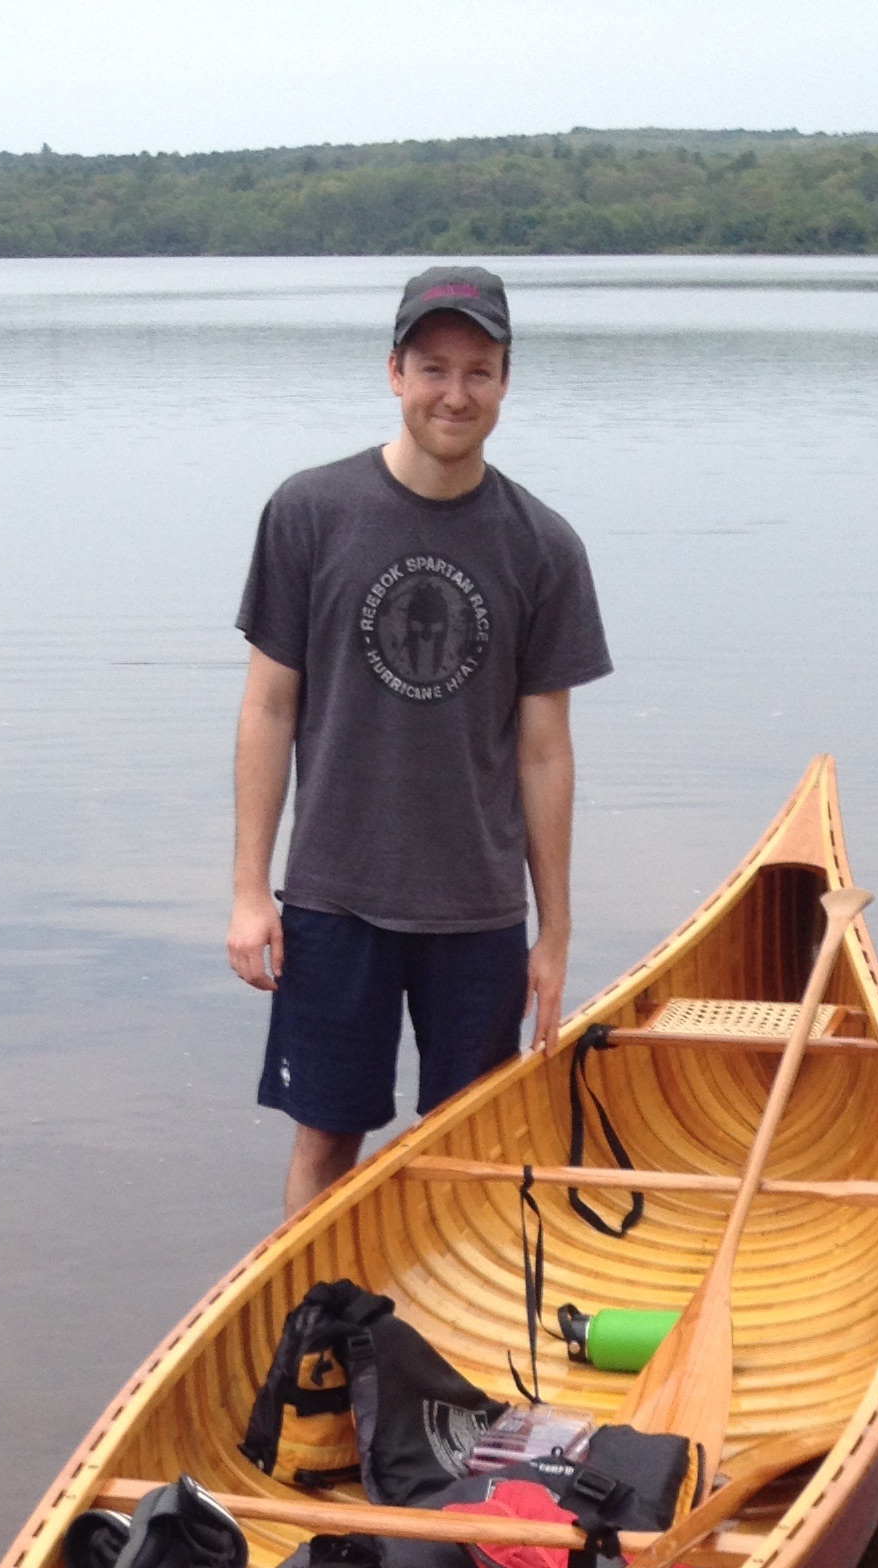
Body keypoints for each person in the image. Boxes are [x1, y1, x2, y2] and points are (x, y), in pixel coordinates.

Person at [227, 264, 613, 1219]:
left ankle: (439, 1347)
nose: (455, 393)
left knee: (470, 1152)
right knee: (326, 1137)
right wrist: (247, 889)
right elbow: (268, 708)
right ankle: (318, 1338)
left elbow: (544, 753)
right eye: (433, 367)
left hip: (476, 911)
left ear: (506, 382)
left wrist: (553, 929)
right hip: (334, 894)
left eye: (479, 371)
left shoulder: (543, 547)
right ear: (394, 372)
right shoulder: (310, 513)